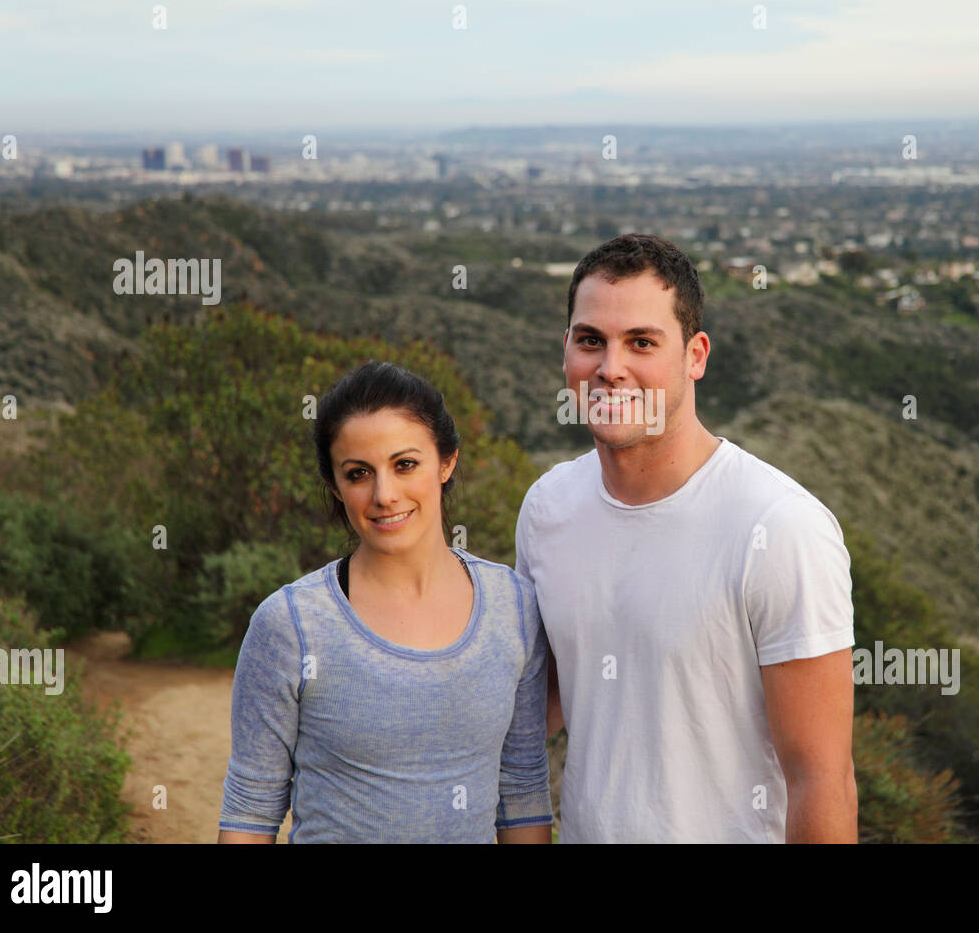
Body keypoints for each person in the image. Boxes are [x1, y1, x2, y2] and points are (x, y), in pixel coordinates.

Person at [516, 233, 857, 843]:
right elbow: (541, 702)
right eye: (590, 340)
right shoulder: (548, 508)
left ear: (695, 355)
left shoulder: (779, 528)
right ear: (565, 349)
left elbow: (822, 779)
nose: (611, 368)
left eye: (641, 342)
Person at [218, 361, 552, 843]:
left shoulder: (515, 609)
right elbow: (251, 809)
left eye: (405, 464)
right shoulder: (290, 625)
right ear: (335, 485)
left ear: (447, 462)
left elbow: (521, 790)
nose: (384, 494)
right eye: (359, 473)